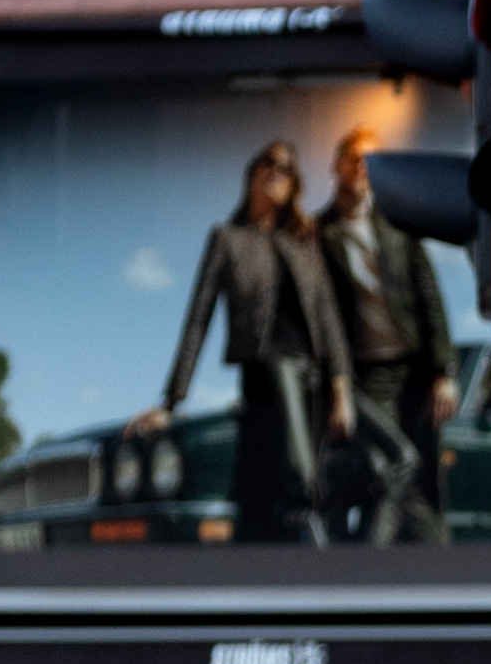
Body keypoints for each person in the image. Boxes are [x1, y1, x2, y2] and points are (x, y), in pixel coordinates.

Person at [136, 140, 350, 551]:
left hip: (314, 382)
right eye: (269, 163)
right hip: (264, 375)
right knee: (274, 485)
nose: (276, 171)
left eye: (287, 169)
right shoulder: (227, 239)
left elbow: (328, 320)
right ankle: (306, 500)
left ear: (293, 186)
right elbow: (197, 320)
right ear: (252, 173)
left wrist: (341, 388)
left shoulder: (305, 242)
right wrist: (171, 401)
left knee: (387, 456)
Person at [314, 128, 458, 546]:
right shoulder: (319, 233)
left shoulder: (397, 226)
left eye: (371, 160)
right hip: (362, 376)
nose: (362, 168)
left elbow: (429, 296)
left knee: (416, 472)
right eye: (354, 158)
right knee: (392, 464)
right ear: (338, 165)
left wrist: (443, 371)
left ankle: (428, 555)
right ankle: (375, 557)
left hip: (411, 374)